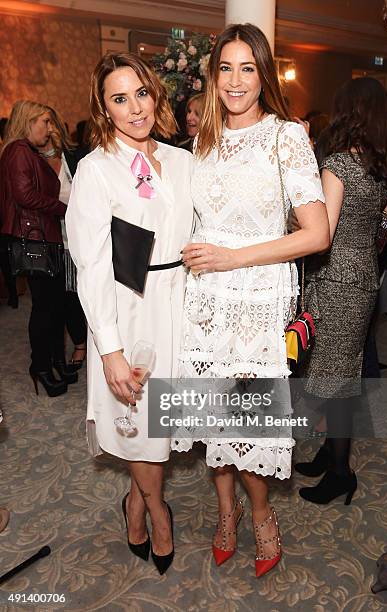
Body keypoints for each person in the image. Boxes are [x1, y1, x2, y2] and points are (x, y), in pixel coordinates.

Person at [173, 23, 329, 577]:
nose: (235, 81)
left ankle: (262, 515)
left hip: (257, 301)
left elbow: (317, 234)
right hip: (204, 301)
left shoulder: (287, 136)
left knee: (250, 420)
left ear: (264, 74)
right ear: (213, 76)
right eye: (225, 68)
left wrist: (234, 258)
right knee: (213, 416)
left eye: (247, 68)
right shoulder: (202, 141)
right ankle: (225, 514)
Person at [66, 52, 193, 575]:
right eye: (120, 99)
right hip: (129, 309)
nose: (135, 108)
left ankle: (135, 502)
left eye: (141, 93)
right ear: (104, 108)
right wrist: (110, 350)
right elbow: (91, 266)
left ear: (155, 93)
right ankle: (157, 512)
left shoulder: (184, 160)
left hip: (179, 303)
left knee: (160, 420)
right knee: (138, 422)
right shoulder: (96, 170)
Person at [295, 77, 387, 504]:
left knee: (334, 380)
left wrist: (290, 223)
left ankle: (341, 473)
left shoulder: (338, 164)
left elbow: (323, 232)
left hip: (335, 278)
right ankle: (328, 454)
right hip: (363, 276)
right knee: (345, 371)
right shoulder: (381, 166)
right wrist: (371, 244)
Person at [0, 100, 69, 397]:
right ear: (28, 121)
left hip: (42, 237)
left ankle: (53, 361)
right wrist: (64, 207)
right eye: (45, 122)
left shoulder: (29, 152)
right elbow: (25, 195)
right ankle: (40, 366)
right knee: (44, 308)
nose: (49, 128)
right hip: (34, 239)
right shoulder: (18, 151)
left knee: (52, 306)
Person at [39, 106, 87, 371]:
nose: (49, 130)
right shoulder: (35, 161)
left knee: (92, 292)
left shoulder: (76, 156)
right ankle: (79, 344)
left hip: (84, 237)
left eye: (51, 124)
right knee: (68, 298)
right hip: (56, 242)